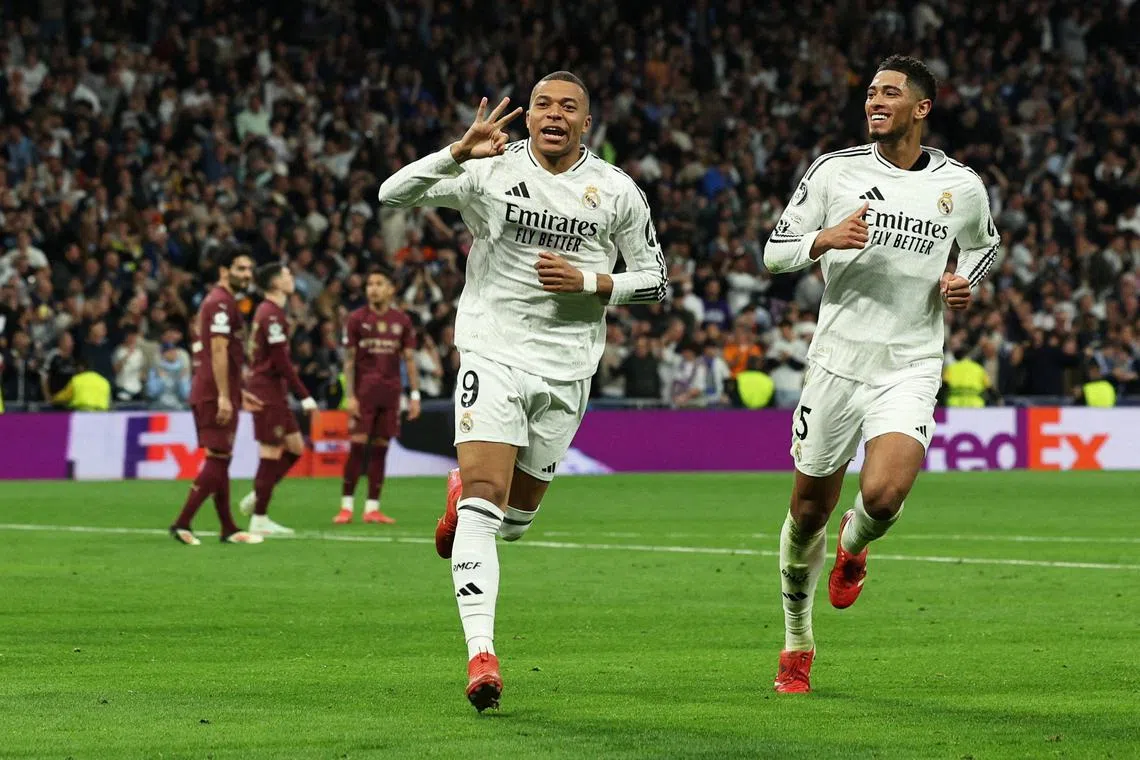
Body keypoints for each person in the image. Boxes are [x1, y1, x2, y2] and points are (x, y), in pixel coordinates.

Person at [378, 71, 667, 711]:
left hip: (567, 369)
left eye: (569, 107)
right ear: (528, 116)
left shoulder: (617, 192)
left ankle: (461, 499)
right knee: (488, 499)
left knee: (514, 522)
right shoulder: (489, 170)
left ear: (587, 124)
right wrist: (455, 152)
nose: (554, 114)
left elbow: (655, 282)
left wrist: (594, 283)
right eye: (542, 104)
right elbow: (392, 194)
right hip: (494, 349)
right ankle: (481, 654)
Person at [762, 55, 1000, 693]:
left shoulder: (961, 186)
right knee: (807, 511)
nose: (874, 101)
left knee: (884, 496)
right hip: (837, 362)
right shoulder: (833, 172)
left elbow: (984, 246)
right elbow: (774, 251)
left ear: (921, 109)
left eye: (889, 93)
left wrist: (961, 281)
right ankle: (797, 640)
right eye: (870, 92)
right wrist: (824, 239)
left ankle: (856, 542)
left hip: (911, 361)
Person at [169, 245, 264, 546]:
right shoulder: (221, 303)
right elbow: (219, 350)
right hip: (213, 392)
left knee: (220, 458)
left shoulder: (222, 302)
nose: (247, 275)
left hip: (218, 389)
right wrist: (225, 396)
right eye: (240, 269)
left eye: (249, 269)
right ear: (224, 271)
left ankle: (228, 528)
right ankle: (182, 522)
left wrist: (238, 392)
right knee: (219, 457)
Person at [333, 268, 419, 526]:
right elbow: (348, 361)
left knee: (381, 449)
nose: (373, 288)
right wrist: (350, 396)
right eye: (370, 283)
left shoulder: (401, 321)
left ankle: (372, 508)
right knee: (358, 446)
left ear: (391, 289)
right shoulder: (357, 319)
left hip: (390, 393)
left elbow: (409, 359)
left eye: (379, 283)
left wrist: (414, 395)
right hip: (364, 393)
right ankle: (346, 506)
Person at [238, 263, 319, 536]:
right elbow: (280, 361)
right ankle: (259, 517)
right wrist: (304, 395)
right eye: (286, 274)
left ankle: (258, 494)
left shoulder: (272, 312)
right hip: (266, 391)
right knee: (270, 451)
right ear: (274, 282)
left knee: (295, 448)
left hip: (275, 391)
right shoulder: (271, 314)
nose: (291, 277)